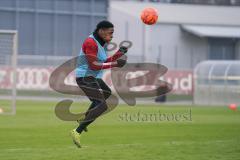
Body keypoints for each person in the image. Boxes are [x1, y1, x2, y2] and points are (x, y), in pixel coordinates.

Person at [70, 20, 128, 148]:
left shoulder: (99, 44)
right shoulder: (90, 43)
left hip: (93, 77)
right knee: (102, 106)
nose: (112, 36)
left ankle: (84, 118)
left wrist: (119, 54)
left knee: (107, 95)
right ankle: (77, 131)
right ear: (101, 31)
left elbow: (104, 61)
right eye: (110, 33)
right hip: (85, 77)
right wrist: (115, 64)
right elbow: (94, 65)